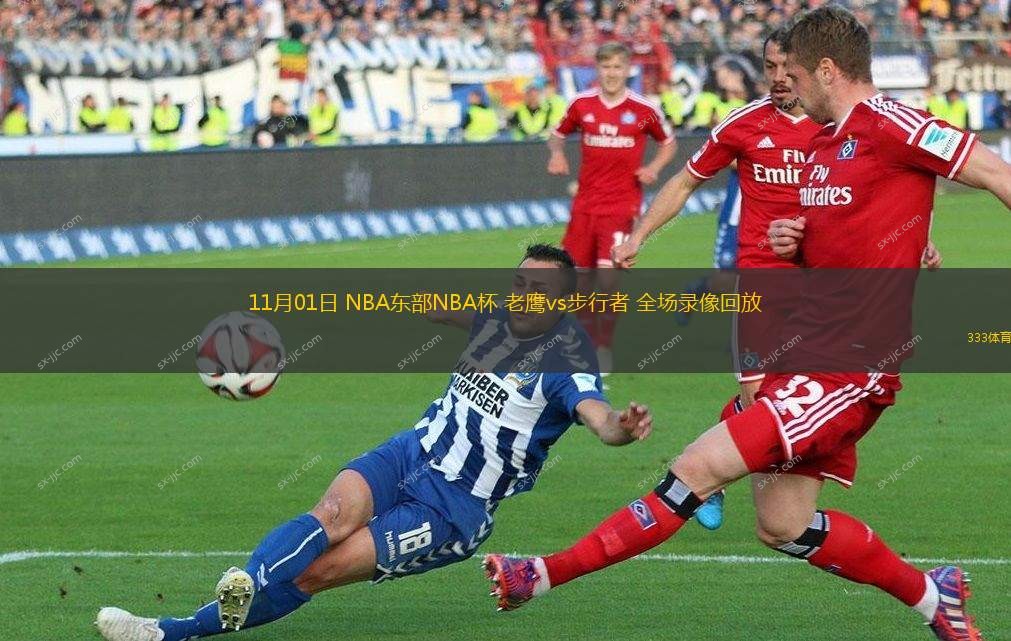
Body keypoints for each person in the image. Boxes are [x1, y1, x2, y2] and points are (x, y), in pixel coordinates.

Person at [484, 9, 1011, 641]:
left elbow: (998, 175)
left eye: (795, 73)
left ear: (825, 70)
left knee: (695, 469)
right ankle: (933, 596)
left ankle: (539, 575)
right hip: (803, 352)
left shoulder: (894, 123)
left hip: (850, 366)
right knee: (781, 525)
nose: (787, 86)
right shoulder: (822, 145)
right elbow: (849, 237)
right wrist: (800, 239)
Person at [95, 244, 655, 641]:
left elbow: (598, 417)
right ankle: (224, 596)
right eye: (520, 283)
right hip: (410, 453)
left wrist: (621, 428)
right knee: (331, 513)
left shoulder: (567, 361)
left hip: (454, 507)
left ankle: (178, 628)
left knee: (316, 572)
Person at [548, 41, 676, 374]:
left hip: (621, 206)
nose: (611, 73)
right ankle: (580, 343)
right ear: (598, 69)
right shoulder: (581, 104)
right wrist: (557, 154)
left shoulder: (644, 109)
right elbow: (557, 133)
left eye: (618, 67)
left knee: (608, 281)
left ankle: (602, 347)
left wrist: (654, 168)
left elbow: (668, 143)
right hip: (584, 207)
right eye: (606, 67)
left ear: (627, 70)